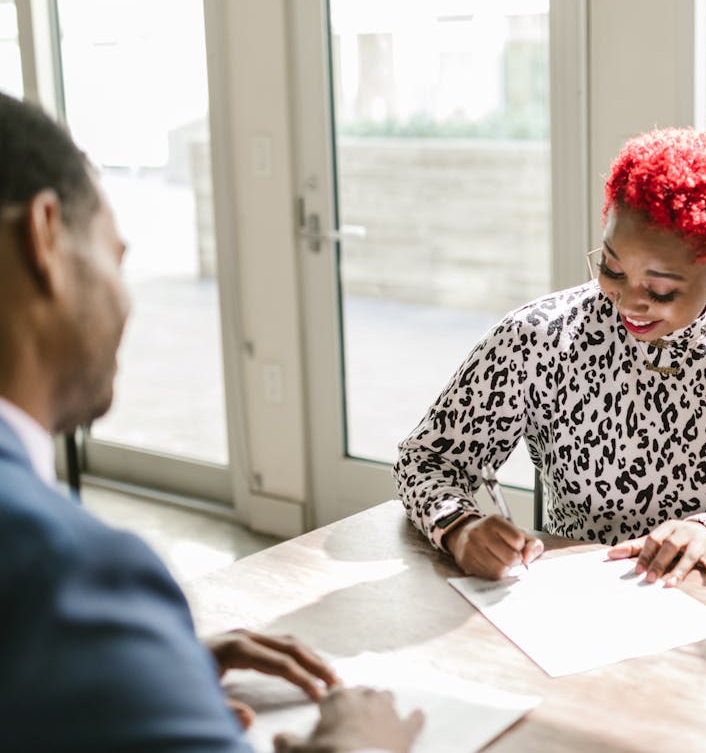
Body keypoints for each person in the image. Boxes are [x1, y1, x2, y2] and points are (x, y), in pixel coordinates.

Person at [0, 91, 424, 751]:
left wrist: (133, 670)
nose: (126, 300)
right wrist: (358, 744)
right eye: (116, 257)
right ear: (45, 235)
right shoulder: (70, 575)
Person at [395, 127, 706, 586]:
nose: (629, 303)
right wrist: (460, 528)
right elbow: (426, 461)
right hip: (573, 609)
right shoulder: (538, 337)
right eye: (612, 268)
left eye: (661, 289)